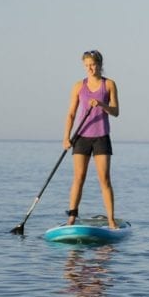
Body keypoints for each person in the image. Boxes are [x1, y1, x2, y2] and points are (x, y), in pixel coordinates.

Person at [63, 49, 120, 229]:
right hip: (81, 136)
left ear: (100, 65)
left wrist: (102, 104)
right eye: (86, 65)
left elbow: (116, 112)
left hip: (101, 136)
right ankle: (72, 217)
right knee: (79, 177)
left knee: (104, 179)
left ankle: (111, 220)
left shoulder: (109, 84)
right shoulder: (79, 86)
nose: (90, 68)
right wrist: (66, 137)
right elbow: (71, 114)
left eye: (93, 65)